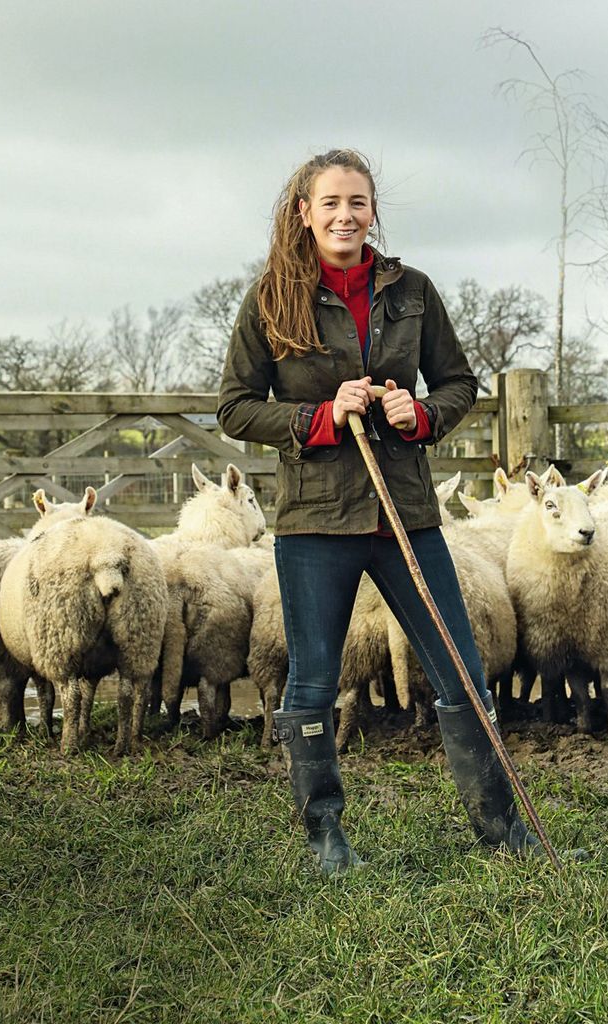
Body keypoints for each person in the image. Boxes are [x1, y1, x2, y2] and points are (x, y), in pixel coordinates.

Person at [217, 148, 560, 876]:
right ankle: (326, 841)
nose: (345, 216)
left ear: (374, 211)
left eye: (359, 203)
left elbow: (460, 384)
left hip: (404, 511)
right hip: (316, 518)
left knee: (462, 670)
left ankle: (503, 831)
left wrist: (420, 413)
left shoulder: (413, 292)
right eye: (331, 203)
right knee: (312, 679)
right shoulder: (272, 299)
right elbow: (235, 407)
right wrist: (316, 415)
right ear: (303, 212)